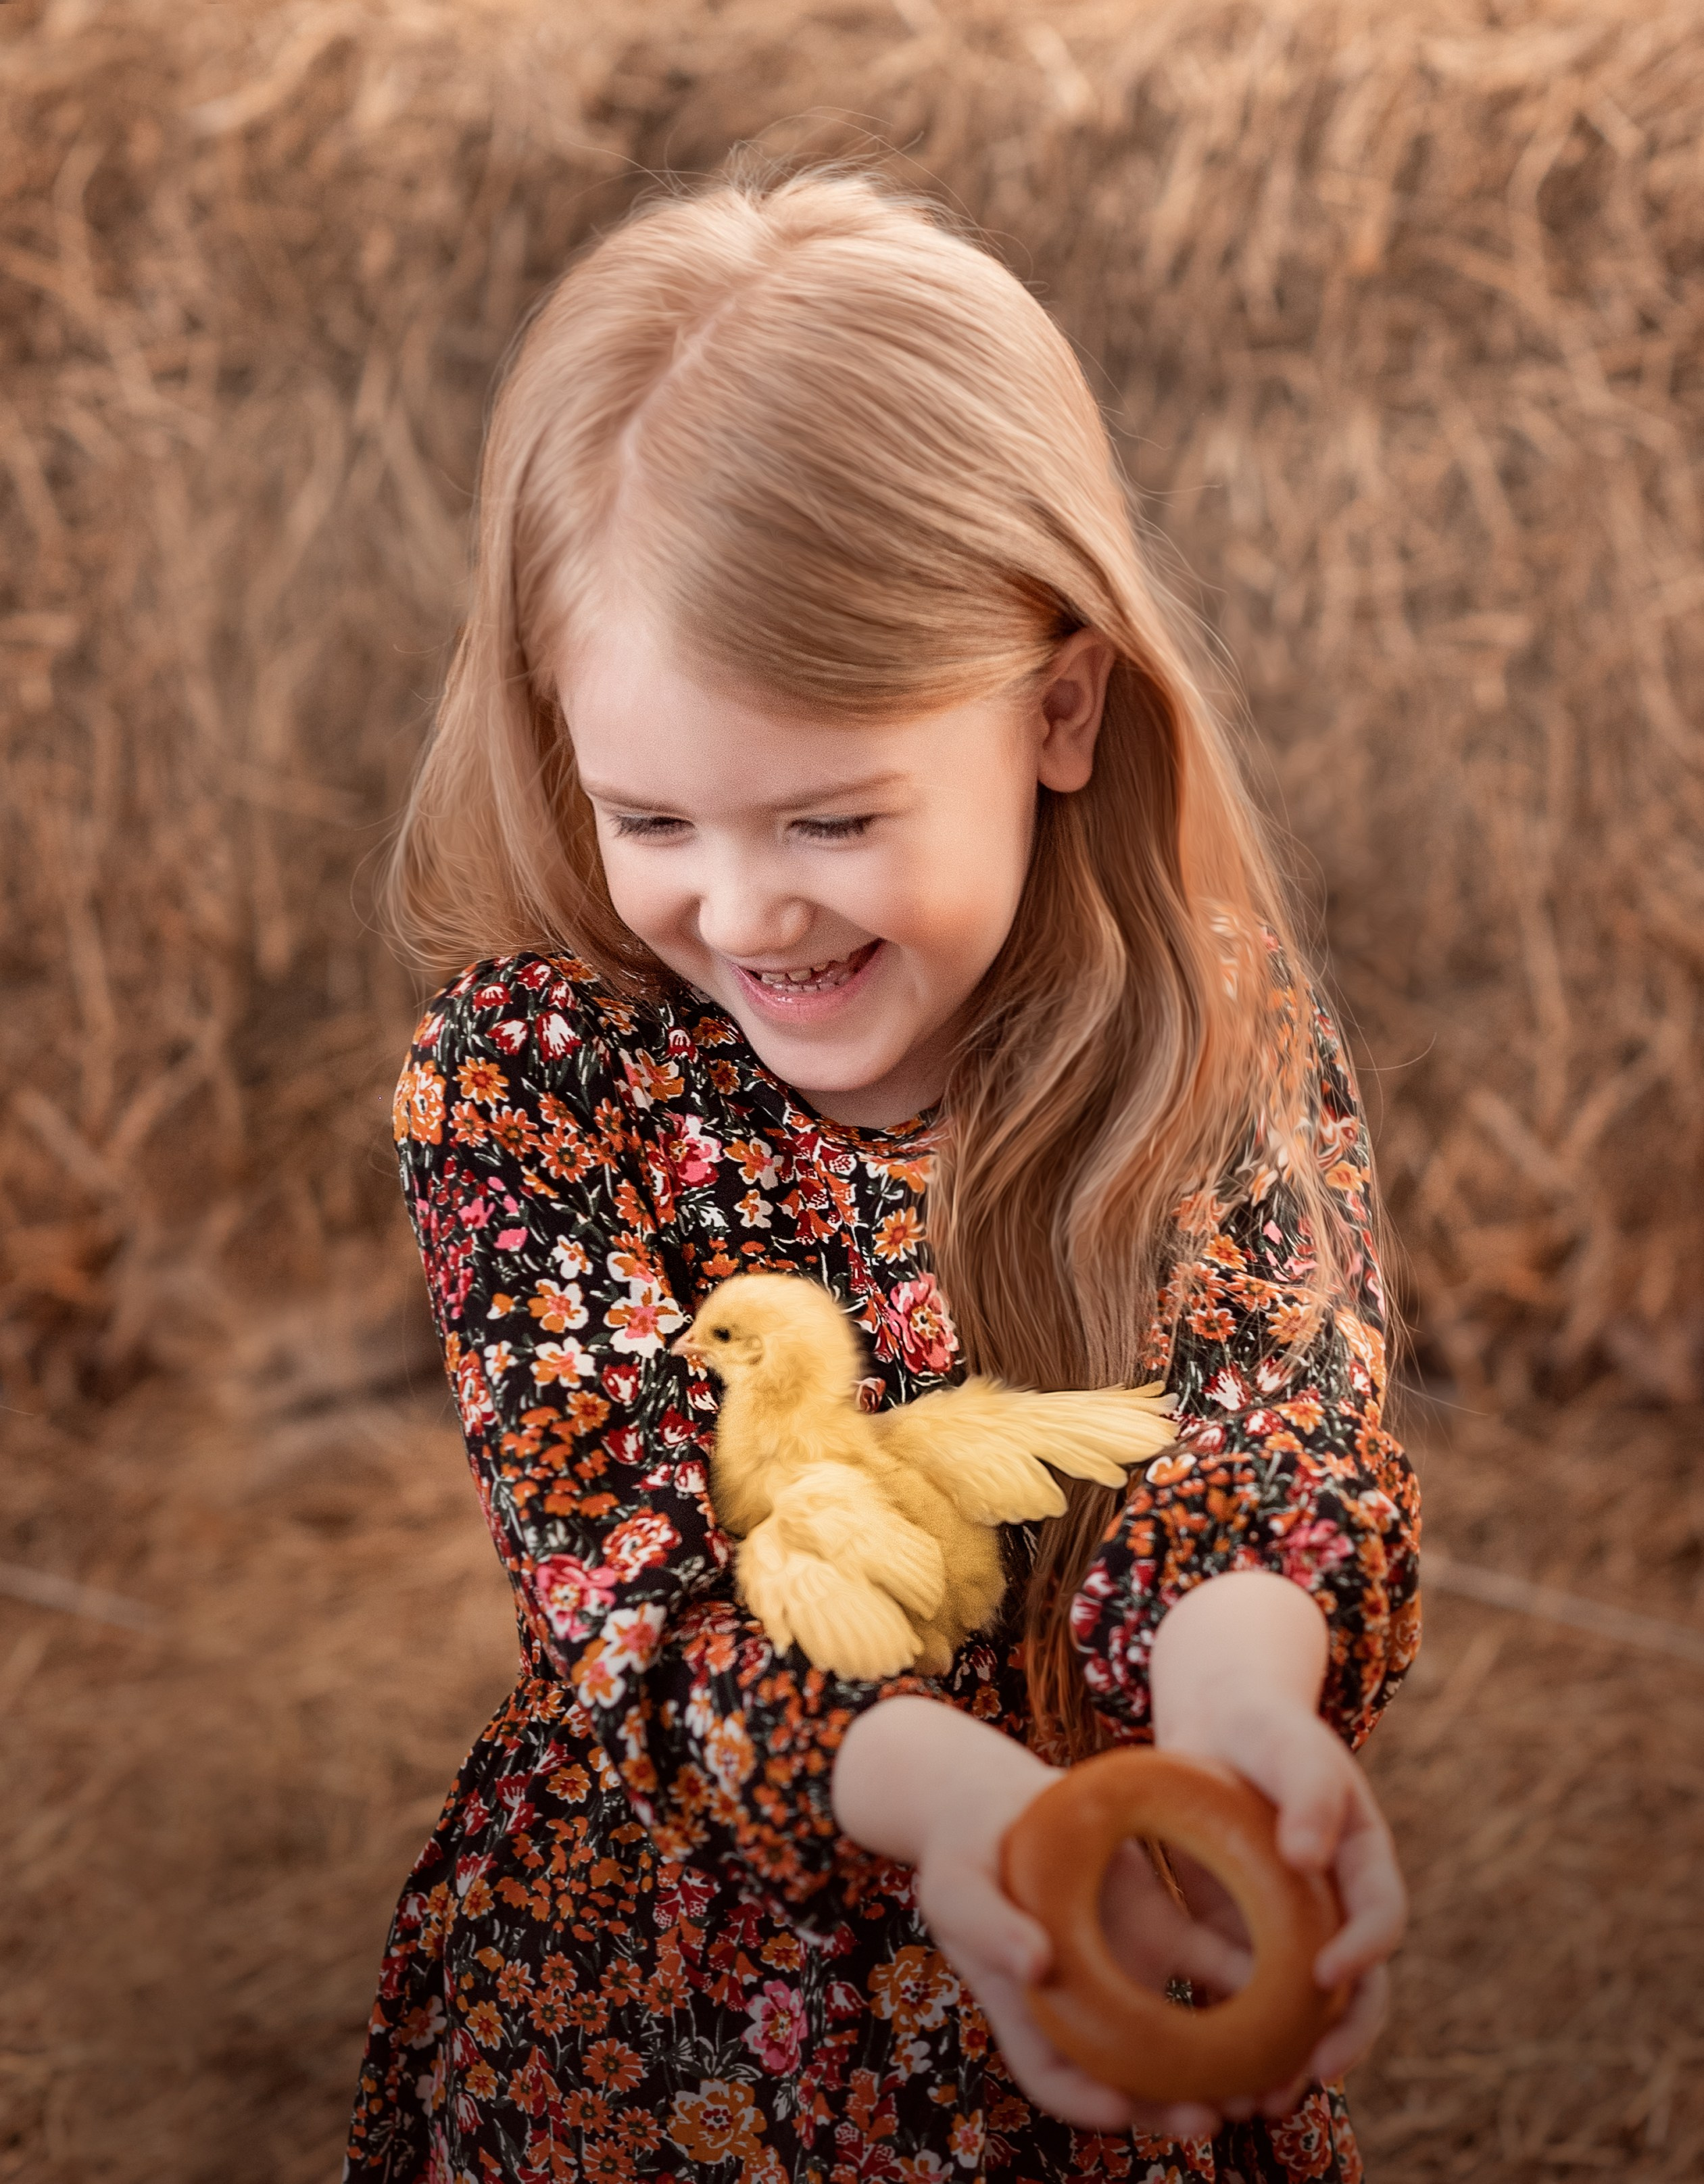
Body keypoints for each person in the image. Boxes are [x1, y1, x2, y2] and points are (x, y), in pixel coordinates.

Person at [345, 166, 1420, 2184]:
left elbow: (1266, 1443)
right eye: (648, 813)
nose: (743, 908)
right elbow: (632, 1603)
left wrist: (1236, 1737)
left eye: (830, 817)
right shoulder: (533, 1085)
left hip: (1117, 1960)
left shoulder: (1202, 1024)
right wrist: (961, 1816)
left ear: (1060, 709)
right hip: (660, 2065)